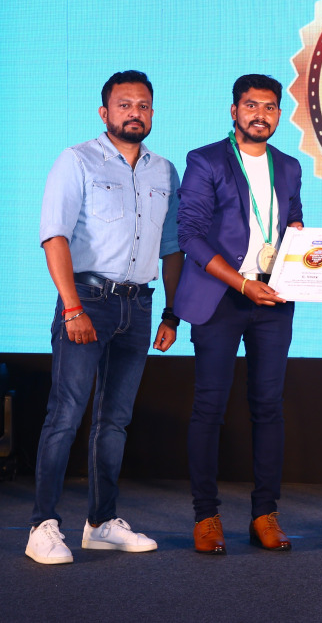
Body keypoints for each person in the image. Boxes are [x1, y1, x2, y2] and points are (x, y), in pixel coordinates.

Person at [27, 71, 183, 565]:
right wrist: (72, 306)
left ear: (152, 113)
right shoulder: (76, 160)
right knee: (65, 415)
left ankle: (101, 523)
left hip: (139, 306)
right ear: (105, 112)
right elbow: (54, 236)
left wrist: (172, 313)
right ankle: (41, 526)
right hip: (87, 301)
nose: (135, 113)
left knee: (115, 420)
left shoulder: (165, 171)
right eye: (124, 104)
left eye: (143, 105)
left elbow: (172, 248)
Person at [174, 74, 303, 555]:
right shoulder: (206, 160)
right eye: (251, 106)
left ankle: (265, 514)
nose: (260, 115)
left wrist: (315, 246)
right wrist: (242, 283)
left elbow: (293, 222)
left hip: (273, 299)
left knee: (268, 407)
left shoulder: (289, 166)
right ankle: (206, 516)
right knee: (209, 407)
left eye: (270, 107)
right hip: (221, 297)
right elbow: (189, 235)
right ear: (234, 111)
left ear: (279, 114)